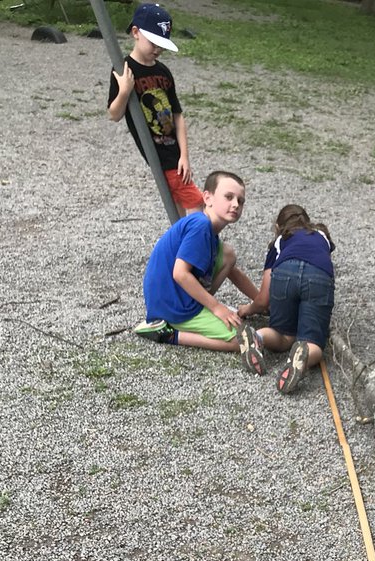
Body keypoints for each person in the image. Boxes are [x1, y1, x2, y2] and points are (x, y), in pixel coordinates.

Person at [134, 171, 259, 351]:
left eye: (240, 201)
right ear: (207, 198)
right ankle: (168, 333)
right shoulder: (200, 226)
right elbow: (180, 273)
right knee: (244, 339)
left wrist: (260, 301)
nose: (235, 204)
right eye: (228, 197)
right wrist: (217, 308)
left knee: (228, 254)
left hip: (174, 297)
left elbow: (233, 271)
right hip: (173, 306)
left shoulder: (209, 232)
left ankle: (201, 308)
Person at [108, 4, 203, 217]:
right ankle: (197, 246)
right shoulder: (123, 70)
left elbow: (177, 115)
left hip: (175, 153)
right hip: (160, 155)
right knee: (198, 206)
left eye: (162, 45)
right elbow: (114, 114)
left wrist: (185, 156)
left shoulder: (163, 72)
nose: (158, 50)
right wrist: (124, 91)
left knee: (179, 212)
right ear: (135, 32)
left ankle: (181, 247)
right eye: (153, 43)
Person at [234, 205, 335, 395]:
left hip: (284, 271)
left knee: (283, 334)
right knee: (313, 342)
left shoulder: (280, 241)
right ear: (307, 221)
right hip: (318, 275)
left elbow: (263, 299)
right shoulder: (321, 235)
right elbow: (323, 262)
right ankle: (301, 357)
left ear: (278, 226)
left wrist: (248, 309)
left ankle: (258, 337)